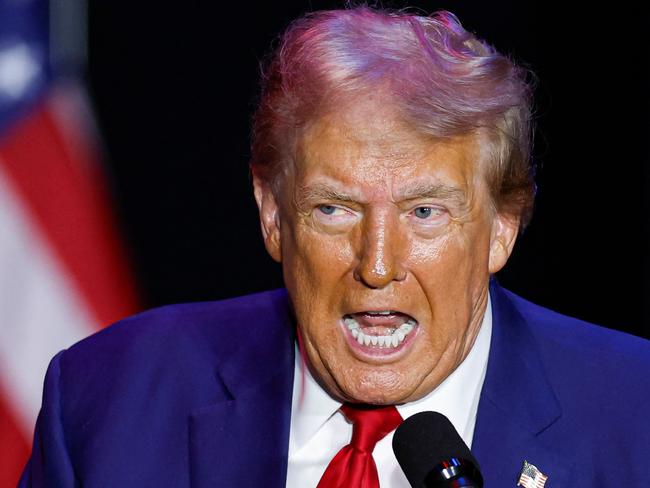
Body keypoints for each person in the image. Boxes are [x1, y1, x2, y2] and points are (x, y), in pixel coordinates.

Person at [19, 6, 650, 487]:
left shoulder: (634, 418)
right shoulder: (108, 402)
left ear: (503, 226)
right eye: (334, 209)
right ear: (272, 214)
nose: (377, 266)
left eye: (425, 212)